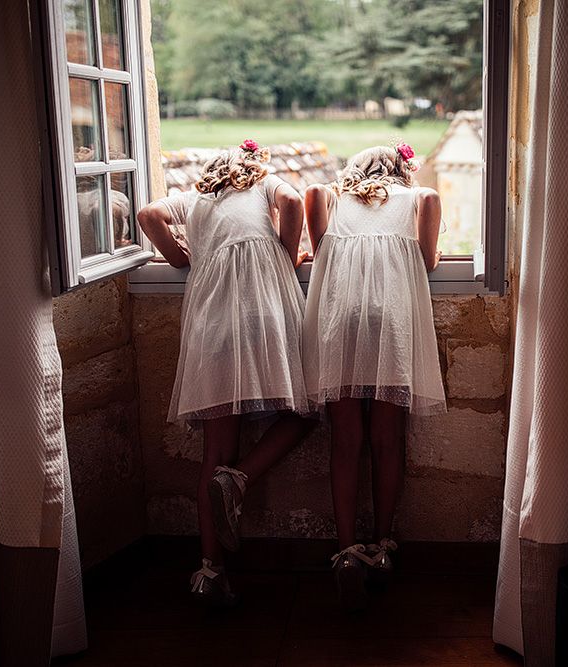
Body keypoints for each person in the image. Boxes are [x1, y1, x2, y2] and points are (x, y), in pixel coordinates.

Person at [138, 140, 313, 607]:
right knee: (305, 411)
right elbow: (295, 201)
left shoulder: (195, 198)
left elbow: (147, 214)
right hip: (263, 314)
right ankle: (241, 478)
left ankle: (208, 572)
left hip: (211, 320)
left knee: (215, 449)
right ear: (252, 168)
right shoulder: (262, 184)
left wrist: (179, 257)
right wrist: (287, 252)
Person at [302, 143, 446, 611]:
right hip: (390, 323)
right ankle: (382, 548)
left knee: (345, 440)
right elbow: (426, 261)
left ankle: (345, 552)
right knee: (387, 439)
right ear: (402, 171)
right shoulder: (419, 199)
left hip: (340, 318)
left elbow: (320, 243)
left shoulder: (331, 199)